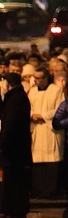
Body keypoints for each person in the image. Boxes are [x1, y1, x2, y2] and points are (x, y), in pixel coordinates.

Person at [0, 73, 32, 218]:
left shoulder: (15, 98)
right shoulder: (19, 96)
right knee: (17, 178)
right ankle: (15, 208)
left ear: (8, 83)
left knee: (13, 178)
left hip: (14, 146)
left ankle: (13, 208)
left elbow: (10, 122)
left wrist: (2, 141)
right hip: (18, 144)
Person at [28, 66, 64, 198]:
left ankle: (51, 191)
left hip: (50, 130)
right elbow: (28, 108)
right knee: (38, 161)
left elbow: (60, 109)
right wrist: (32, 115)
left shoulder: (56, 90)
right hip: (37, 129)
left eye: (41, 78)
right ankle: (38, 190)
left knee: (51, 161)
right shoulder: (32, 92)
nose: (38, 81)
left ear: (46, 77)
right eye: (36, 78)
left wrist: (42, 115)